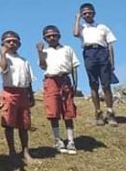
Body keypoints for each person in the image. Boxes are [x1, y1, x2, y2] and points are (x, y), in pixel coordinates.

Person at [73, 2, 118, 126]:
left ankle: (110, 112)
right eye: (84, 13)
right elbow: (75, 33)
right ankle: (98, 112)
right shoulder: (82, 27)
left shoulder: (102, 27)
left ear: (94, 13)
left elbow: (110, 45)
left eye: (90, 13)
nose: (87, 15)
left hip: (102, 53)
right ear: (82, 15)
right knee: (93, 84)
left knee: (106, 84)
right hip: (89, 53)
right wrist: (77, 18)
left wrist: (112, 62)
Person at [38, 25, 80, 155]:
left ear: (59, 36)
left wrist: (75, 85)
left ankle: (71, 140)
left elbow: (74, 67)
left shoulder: (67, 49)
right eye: (48, 36)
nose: (51, 38)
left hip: (65, 79)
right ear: (45, 38)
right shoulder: (45, 51)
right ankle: (58, 140)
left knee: (68, 110)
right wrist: (40, 53)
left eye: (54, 35)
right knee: (53, 110)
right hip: (51, 80)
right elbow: (43, 66)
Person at [0, 31, 35, 163]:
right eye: (8, 41)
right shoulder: (2, 58)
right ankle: (11, 151)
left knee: (24, 124)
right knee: (9, 123)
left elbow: (28, 80)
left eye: (14, 41)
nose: (11, 43)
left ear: (19, 44)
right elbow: (3, 68)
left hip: (23, 93)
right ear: (3, 44)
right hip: (9, 92)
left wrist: (31, 95)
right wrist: (2, 54)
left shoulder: (24, 61)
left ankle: (25, 151)